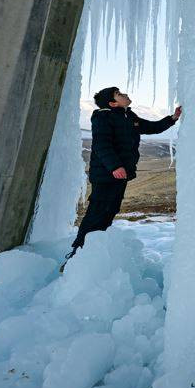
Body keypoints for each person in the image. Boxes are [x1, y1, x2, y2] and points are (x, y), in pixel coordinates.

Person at [63, 87, 182, 266]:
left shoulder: (129, 117)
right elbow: (102, 145)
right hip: (106, 175)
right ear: (112, 103)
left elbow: (151, 127)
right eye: (119, 94)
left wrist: (172, 118)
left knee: (110, 210)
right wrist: (115, 166)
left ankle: (96, 250)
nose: (125, 95)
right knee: (97, 212)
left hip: (120, 175)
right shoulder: (103, 117)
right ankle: (77, 255)